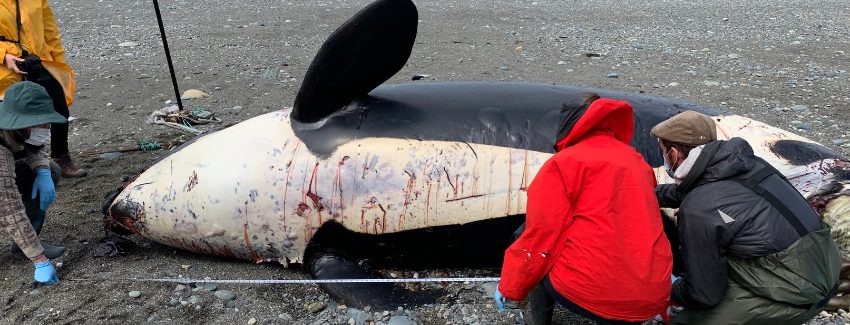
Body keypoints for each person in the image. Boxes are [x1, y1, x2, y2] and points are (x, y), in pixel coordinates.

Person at [495, 95, 673, 324]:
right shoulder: (637, 161)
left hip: (598, 295)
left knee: (531, 245)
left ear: (568, 124)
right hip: (652, 295)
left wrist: (511, 285)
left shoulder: (563, 163)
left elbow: (542, 235)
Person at [653, 111, 842, 324]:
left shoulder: (699, 208)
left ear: (674, 154)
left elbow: (704, 295)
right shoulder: (747, 164)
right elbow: (704, 193)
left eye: (663, 151)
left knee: (688, 319)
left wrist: (672, 287)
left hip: (798, 291)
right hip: (826, 264)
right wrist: (647, 193)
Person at [1, 0, 87, 177]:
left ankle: (61, 157)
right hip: (7, 69)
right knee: (17, 120)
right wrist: (3, 56)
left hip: (40, 62)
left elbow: (50, 31)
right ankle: (20, 164)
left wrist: (58, 65)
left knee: (59, 109)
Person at [1, 81, 66, 285]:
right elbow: (9, 209)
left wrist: (42, 171)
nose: (45, 130)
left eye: (47, 123)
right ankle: (30, 247)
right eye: (39, 125)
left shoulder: (18, 126)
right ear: (18, 124)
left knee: (51, 170)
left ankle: (25, 244)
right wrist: (40, 260)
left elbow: (35, 147)